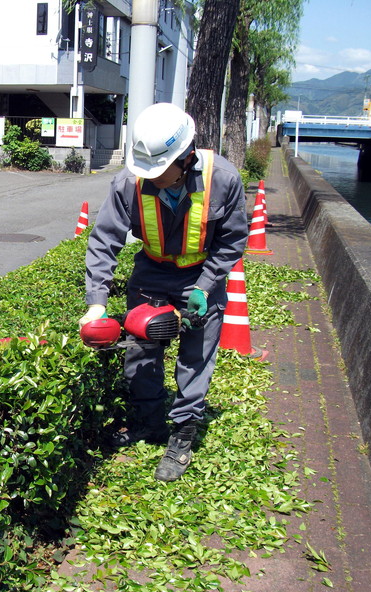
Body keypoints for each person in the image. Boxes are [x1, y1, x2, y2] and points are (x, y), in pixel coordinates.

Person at [79, 102, 248, 481]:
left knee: (195, 357)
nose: (152, 178)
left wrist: (206, 287)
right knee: (141, 350)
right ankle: (147, 422)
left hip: (200, 274)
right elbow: (104, 240)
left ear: (186, 157)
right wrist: (96, 304)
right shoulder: (129, 181)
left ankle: (182, 437)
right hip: (152, 272)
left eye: (160, 170)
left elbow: (232, 241)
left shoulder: (223, 179)